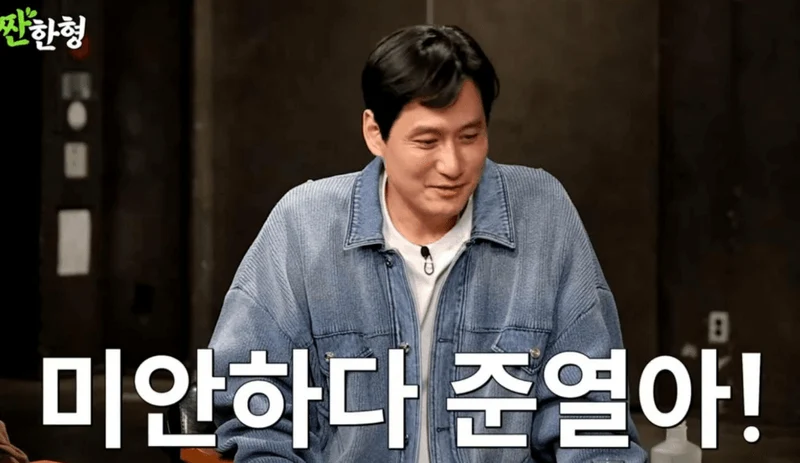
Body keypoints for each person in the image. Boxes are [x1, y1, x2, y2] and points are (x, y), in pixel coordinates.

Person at [209, 24, 648, 463]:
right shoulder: (303, 226)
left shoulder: (543, 216)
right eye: (427, 141)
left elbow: (592, 418)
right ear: (375, 133)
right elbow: (254, 414)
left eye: (470, 136)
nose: (453, 164)